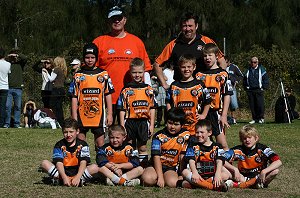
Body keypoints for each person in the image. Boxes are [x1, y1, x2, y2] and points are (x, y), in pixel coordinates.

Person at [93, 6, 152, 124]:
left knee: (128, 135)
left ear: (124, 20)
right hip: (107, 99)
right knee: (107, 136)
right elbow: (91, 70)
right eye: (113, 18)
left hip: (132, 98)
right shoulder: (99, 42)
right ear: (109, 21)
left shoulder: (136, 42)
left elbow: (146, 71)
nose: (117, 21)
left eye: (119, 18)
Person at [154, 12, 226, 90]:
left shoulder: (206, 41)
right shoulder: (173, 44)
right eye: (185, 26)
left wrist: (219, 81)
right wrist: (164, 84)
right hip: (180, 91)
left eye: (190, 26)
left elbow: (222, 61)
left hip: (203, 90)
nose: (187, 29)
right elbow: (157, 64)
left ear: (196, 26)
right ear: (181, 27)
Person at [71, 43, 114, 148]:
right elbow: (74, 97)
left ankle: (101, 163)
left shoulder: (103, 74)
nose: (89, 60)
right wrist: (74, 116)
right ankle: (83, 163)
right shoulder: (78, 75)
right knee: (80, 143)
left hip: (98, 115)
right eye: (87, 57)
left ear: (96, 58)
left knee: (100, 144)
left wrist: (110, 114)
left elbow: (108, 95)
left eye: (92, 57)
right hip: (82, 115)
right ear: (83, 58)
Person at [118, 58, 156, 167]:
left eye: (140, 72)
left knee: (142, 147)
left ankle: (143, 168)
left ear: (144, 72)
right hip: (129, 121)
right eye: (134, 72)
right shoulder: (126, 90)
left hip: (143, 122)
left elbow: (152, 108)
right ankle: (130, 167)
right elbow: (122, 109)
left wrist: (152, 124)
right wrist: (122, 126)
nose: (137, 75)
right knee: (129, 146)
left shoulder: (149, 89)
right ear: (130, 72)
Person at [40, 118, 99, 186]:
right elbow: (59, 163)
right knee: (44, 163)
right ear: (62, 132)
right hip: (62, 173)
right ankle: (62, 179)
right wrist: (64, 177)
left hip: (78, 173)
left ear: (77, 131)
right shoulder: (59, 145)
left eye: (71, 132)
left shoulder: (83, 144)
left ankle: (78, 180)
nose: (68, 135)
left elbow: (83, 162)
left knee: (95, 167)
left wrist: (78, 177)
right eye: (65, 132)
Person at [196, 43, 233, 151]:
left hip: (217, 113)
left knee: (222, 144)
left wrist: (224, 115)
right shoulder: (199, 75)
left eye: (210, 55)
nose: (207, 58)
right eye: (205, 56)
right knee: (203, 142)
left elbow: (227, 95)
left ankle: (228, 167)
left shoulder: (223, 74)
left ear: (216, 56)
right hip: (202, 113)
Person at [141, 107, 190, 188]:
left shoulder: (186, 135)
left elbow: (183, 157)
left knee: (173, 183)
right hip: (155, 165)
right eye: (170, 123)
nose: (172, 127)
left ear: (182, 125)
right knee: (148, 179)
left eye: (176, 124)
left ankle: (167, 177)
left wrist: (181, 174)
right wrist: (160, 177)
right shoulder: (158, 135)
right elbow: (156, 157)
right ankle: (154, 175)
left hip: (171, 167)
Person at [166, 54, 211, 137]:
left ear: (194, 67)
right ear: (179, 68)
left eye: (189, 67)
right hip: (178, 126)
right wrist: (171, 115)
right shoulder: (174, 86)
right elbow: (168, 101)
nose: (186, 69)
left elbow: (208, 101)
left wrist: (203, 115)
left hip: (195, 126)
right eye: (183, 67)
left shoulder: (200, 85)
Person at [181, 119, 229, 192]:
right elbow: (191, 160)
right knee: (184, 172)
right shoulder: (192, 146)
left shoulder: (217, 146)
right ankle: (212, 186)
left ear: (209, 133)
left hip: (212, 174)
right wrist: (194, 172)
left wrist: (218, 174)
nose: (199, 135)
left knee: (226, 174)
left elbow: (220, 161)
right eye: (197, 132)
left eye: (202, 132)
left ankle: (197, 184)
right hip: (197, 174)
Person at [4, 48, 27, 128]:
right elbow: (3, 58)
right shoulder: (7, 63)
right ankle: (7, 123)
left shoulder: (20, 64)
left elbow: (25, 58)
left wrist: (16, 54)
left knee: (18, 107)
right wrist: (9, 56)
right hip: (8, 88)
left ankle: (16, 124)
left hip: (18, 88)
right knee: (7, 107)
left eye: (15, 56)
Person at [243, 57, 269, 124]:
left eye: (255, 62)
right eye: (252, 62)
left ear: (257, 62)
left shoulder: (261, 69)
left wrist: (264, 87)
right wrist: (246, 88)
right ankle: (254, 118)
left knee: (260, 104)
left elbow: (265, 79)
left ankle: (261, 118)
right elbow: (244, 79)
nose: (253, 64)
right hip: (250, 90)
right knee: (252, 105)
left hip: (259, 89)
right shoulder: (248, 70)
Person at [45, 56, 67, 126]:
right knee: (59, 107)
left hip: (56, 90)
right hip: (61, 89)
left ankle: (56, 121)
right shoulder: (62, 70)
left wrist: (46, 72)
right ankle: (61, 122)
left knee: (53, 106)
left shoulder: (56, 69)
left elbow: (51, 79)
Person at [225, 56, 243, 124]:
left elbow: (241, 76)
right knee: (225, 104)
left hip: (231, 87)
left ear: (229, 61)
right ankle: (226, 118)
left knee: (233, 104)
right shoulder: (221, 67)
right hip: (223, 88)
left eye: (226, 62)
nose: (225, 63)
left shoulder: (234, 67)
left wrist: (235, 80)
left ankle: (234, 119)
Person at [0, 47, 11, 127]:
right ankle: (1, 123)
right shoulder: (8, 64)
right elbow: (8, 73)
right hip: (4, 87)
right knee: (2, 106)